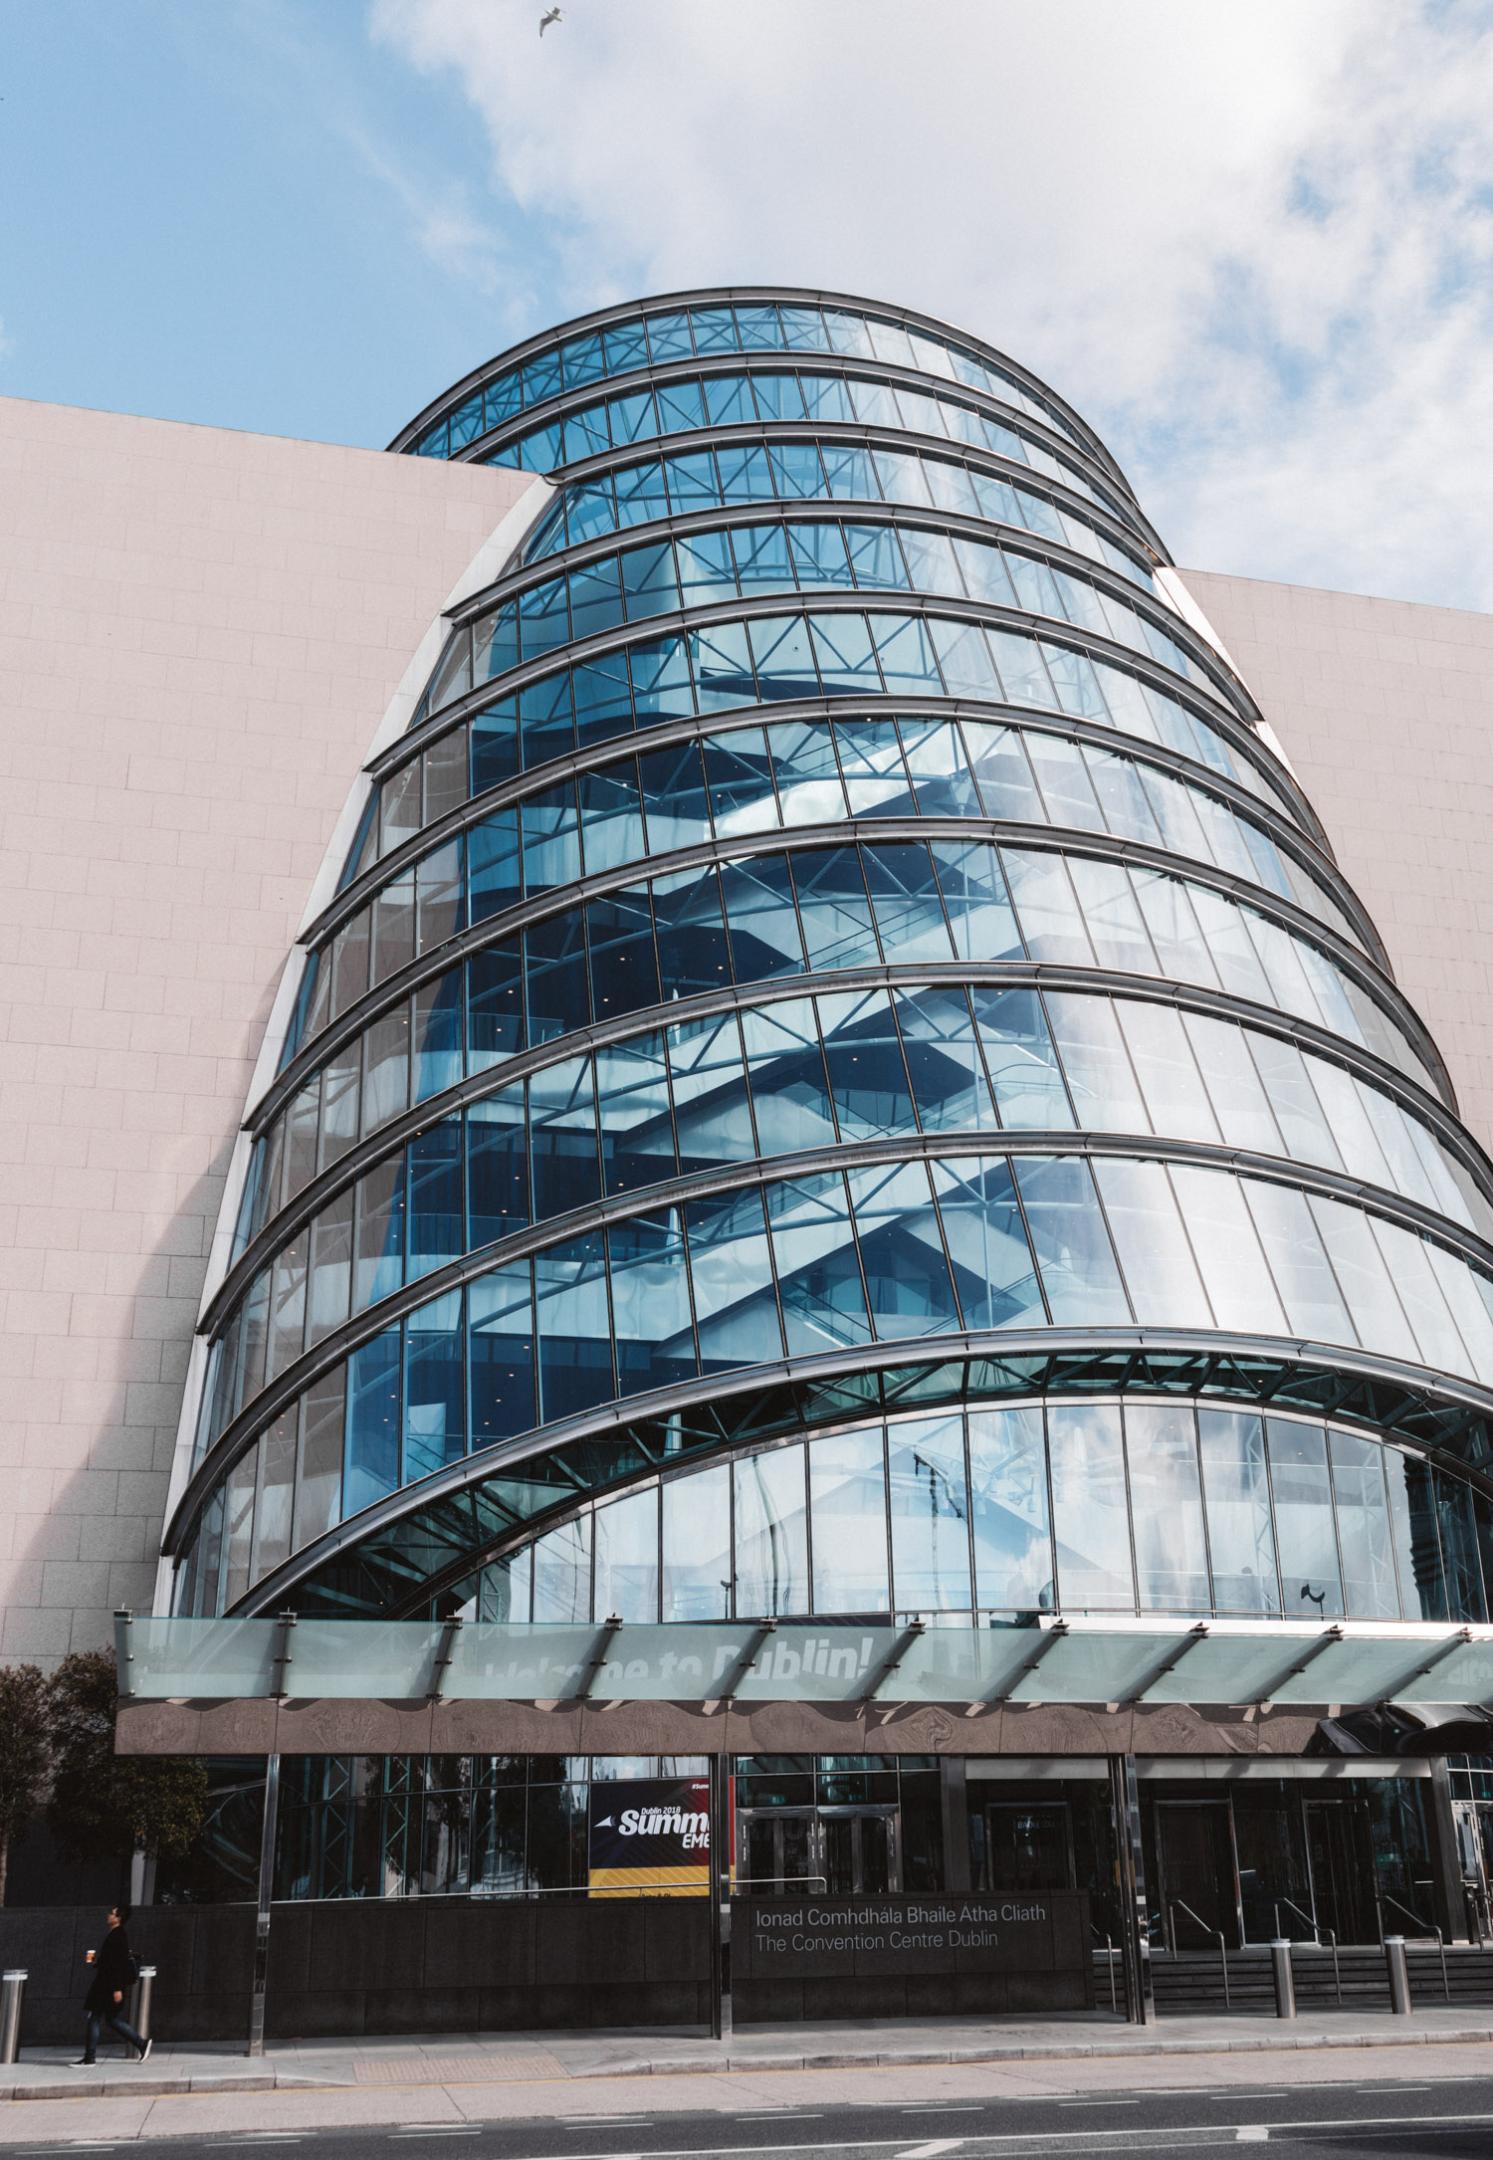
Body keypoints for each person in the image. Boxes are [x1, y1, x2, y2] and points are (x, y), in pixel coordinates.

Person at [73, 1903, 152, 2065]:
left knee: (95, 2018)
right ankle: (141, 2043)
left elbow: (117, 1964)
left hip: (107, 1986)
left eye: (112, 1913)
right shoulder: (115, 1934)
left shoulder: (118, 1936)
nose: (109, 1915)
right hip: (107, 1985)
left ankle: (90, 2057)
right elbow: (110, 1961)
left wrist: (117, 1988)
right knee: (111, 2019)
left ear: (119, 1918)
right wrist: (96, 1961)